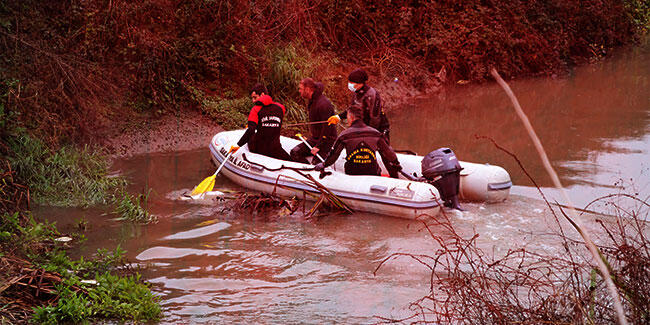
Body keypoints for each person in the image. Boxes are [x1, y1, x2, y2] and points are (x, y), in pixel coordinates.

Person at [315, 104, 401, 178]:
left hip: (352, 173)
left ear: (351, 117)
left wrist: (324, 164)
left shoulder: (344, 135)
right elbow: (388, 152)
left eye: (347, 117)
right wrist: (396, 164)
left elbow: (334, 155)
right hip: (373, 172)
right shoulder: (375, 134)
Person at [230, 83, 291, 161]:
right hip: (276, 148)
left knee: (252, 136)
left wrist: (238, 145)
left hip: (260, 149)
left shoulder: (255, 109)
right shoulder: (281, 108)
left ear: (262, 94)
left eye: (255, 97)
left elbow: (251, 130)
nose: (253, 101)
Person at [327, 68, 391, 141]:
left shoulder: (371, 95)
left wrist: (368, 134)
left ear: (360, 83)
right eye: (349, 82)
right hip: (362, 128)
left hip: (378, 129)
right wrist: (339, 117)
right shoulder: (356, 93)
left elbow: (375, 118)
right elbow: (352, 110)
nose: (349, 84)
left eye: (351, 82)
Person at [290, 78, 337, 164]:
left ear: (307, 89)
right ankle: (305, 168)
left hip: (326, 141)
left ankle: (314, 168)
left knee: (317, 164)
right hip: (315, 139)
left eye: (301, 89)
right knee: (295, 152)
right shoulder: (312, 100)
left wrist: (319, 146)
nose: (299, 91)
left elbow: (327, 127)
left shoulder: (323, 104)